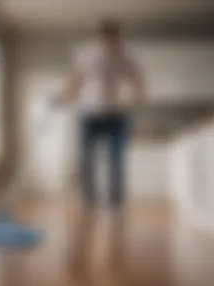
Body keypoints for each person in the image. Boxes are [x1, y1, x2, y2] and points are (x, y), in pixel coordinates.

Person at [53, 19, 146, 208]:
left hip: (116, 115)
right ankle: (89, 199)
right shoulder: (88, 56)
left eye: (113, 38)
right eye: (106, 38)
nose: (109, 42)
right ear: (100, 38)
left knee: (116, 158)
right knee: (87, 157)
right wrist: (63, 96)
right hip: (89, 114)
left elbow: (138, 79)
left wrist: (138, 96)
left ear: (119, 38)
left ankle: (115, 200)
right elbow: (76, 80)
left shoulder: (125, 59)